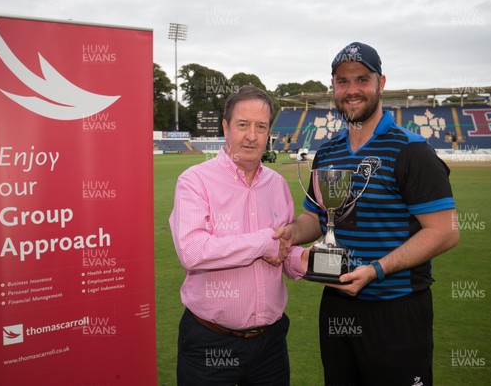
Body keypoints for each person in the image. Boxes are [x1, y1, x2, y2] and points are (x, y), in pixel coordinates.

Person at [274, 42, 459, 385]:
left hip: (396, 307)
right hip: (337, 303)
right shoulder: (327, 152)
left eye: (362, 79)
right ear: (333, 87)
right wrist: (292, 233)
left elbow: (446, 230)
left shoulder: (411, 150)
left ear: (381, 83)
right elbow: (317, 218)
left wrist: (376, 270)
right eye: (342, 82)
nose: (352, 90)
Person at [169, 85, 307, 385]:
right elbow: (193, 251)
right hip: (211, 344)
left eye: (261, 127)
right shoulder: (195, 181)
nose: (252, 136)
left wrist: (307, 260)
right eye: (243, 125)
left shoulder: (277, 184)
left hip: (270, 345)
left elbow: (280, 251)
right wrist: (264, 241)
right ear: (225, 127)